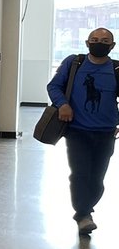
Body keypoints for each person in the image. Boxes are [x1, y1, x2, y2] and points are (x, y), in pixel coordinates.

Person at [46, 28, 119, 236]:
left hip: (106, 132)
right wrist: (63, 105)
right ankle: (83, 215)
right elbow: (54, 86)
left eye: (105, 41)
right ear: (87, 43)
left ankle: (85, 207)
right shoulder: (74, 63)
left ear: (112, 46)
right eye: (95, 40)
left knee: (97, 179)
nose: (99, 43)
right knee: (80, 174)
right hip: (77, 131)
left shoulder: (116, 68)